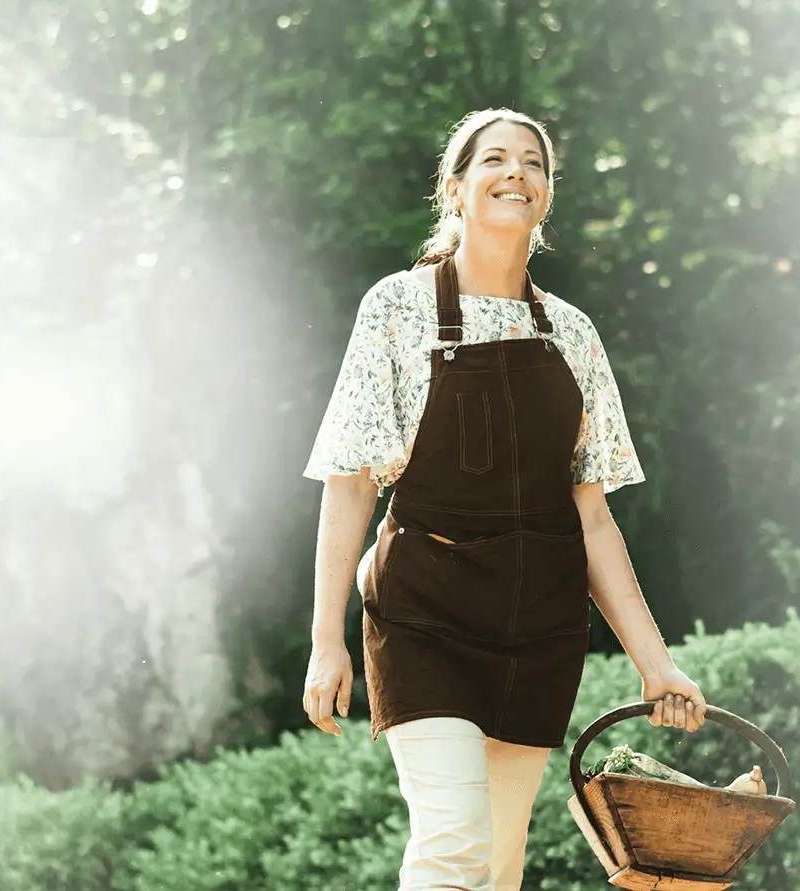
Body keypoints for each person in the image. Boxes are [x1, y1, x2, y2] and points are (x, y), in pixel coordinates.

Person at [299, 108, 708, 891]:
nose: (515, 171)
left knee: (494, 866)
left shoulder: (573, 335)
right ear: (455, 189)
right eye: (494, 158)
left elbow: (591, 514)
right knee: (452, 844)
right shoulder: (397, 308)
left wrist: (656, 666)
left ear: (546, 195)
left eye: (533, 162)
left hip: (537, 630)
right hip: (426, 618)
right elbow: (350, 480)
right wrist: (327, 639)